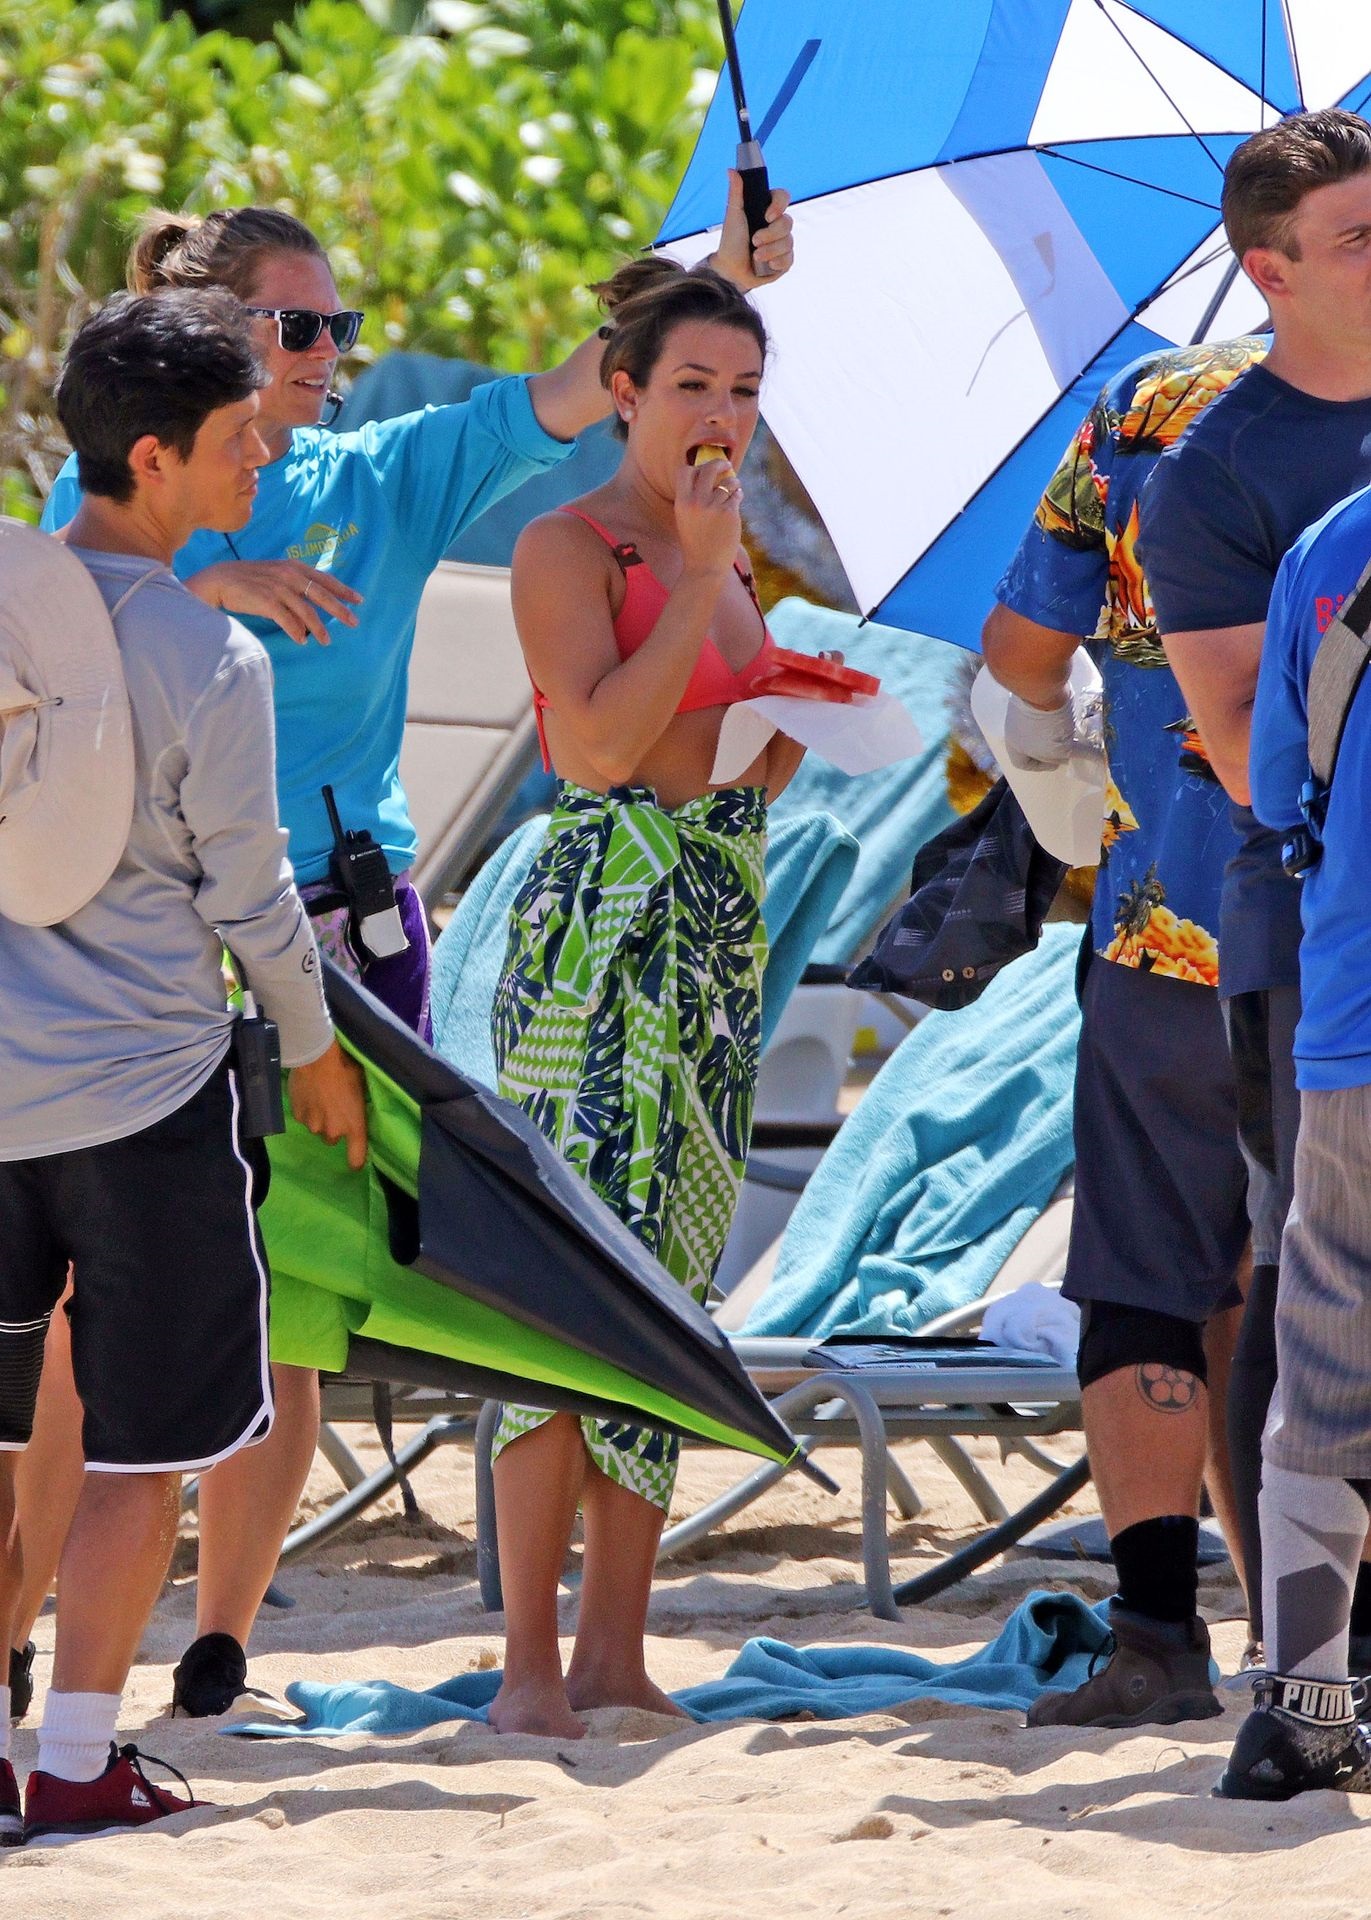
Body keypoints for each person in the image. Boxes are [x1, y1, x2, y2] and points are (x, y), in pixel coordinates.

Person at [31, 178, 794, 1717]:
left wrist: (714, 273)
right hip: (166, 946)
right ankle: (39, 1652)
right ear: (206, 341)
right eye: (294, 326)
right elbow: (68, 625)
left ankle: (221, 1657)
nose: (325, 353)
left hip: (355, 938)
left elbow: (589, 387)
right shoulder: (110, 504)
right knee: (87, 1323)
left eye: (340, 327)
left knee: (298, 1318)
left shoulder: (392, 472)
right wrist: (204, 584)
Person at [0, 288, 366, 1839]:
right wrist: (317, 1044)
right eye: (235, 442)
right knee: (144, 1448)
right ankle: (77, 1757)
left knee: (11, 1430)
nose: (260, 463)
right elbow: (251, 898)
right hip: (147, 1092)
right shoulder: (211, 654)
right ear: (152, 457)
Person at [487, 257, 807, 1738]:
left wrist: (792, 731)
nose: (720, 416)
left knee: (669, 1288)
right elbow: (602, 753)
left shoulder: (720, 549)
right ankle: (532, 1671)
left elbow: (728, 741)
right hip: (599, 928)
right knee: (561, 1289)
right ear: (624, 392)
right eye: (692, 386)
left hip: (710, 925)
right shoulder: (576, 545)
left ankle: (619, 1649)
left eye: (743, 391)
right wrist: (691, 578)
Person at [983, 335, 1266, 1727]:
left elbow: (1022, 652)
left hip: (1166, 909)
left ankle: (1157, 1636)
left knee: (1151, 1268)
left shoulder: (1148, 407)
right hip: (1347, 928)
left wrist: (1085, 737)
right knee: (1327, 1273)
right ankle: (1324, 1631)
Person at [1139, 108, 1371, 1684]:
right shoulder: (1216, 472)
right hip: (1303, 919)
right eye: (1357, 237)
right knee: (1302, 1281)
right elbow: (1241, 755)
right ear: (1267, 271)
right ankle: (1297, 1644)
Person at [1215, 480, 1371, 1800]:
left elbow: (1276, 788)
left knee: (1325, 1344)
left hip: (1353, 1016)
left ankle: (1299, 1714)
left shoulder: (1330, 538)